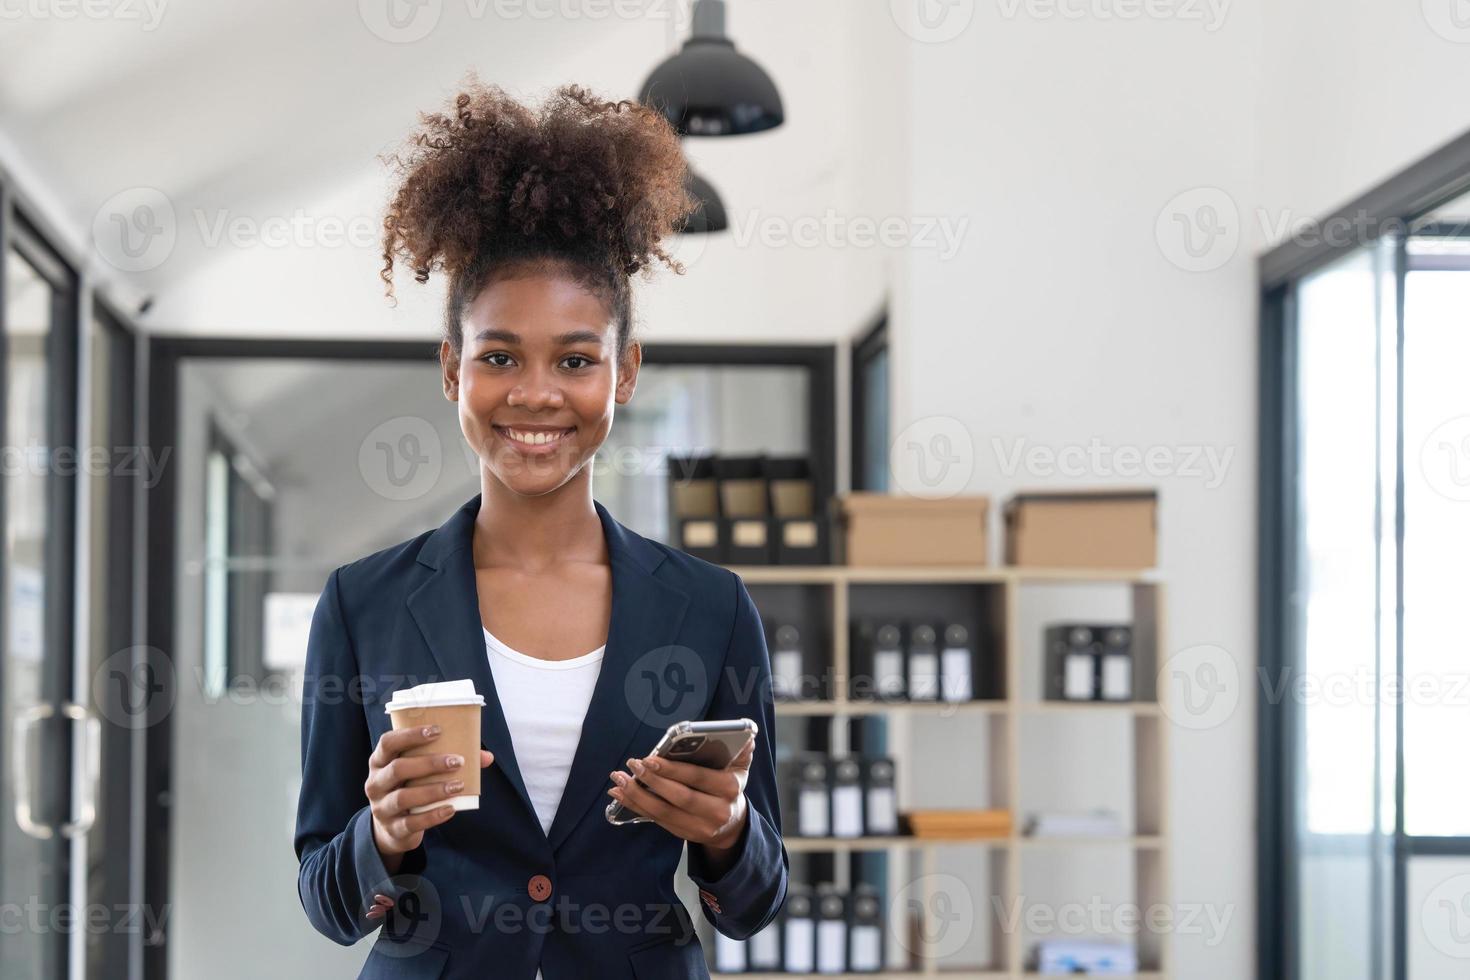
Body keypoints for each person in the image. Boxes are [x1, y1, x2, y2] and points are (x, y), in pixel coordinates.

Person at [293, 79, 788, 979]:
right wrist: (385, 834)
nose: (535, 393)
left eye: (575, 358)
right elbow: (327, 901)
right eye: (498, 357)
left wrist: (726, 831)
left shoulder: (712, 608)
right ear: (451, 370)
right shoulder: (362, 605)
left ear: (624, 373)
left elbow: (757, 901)